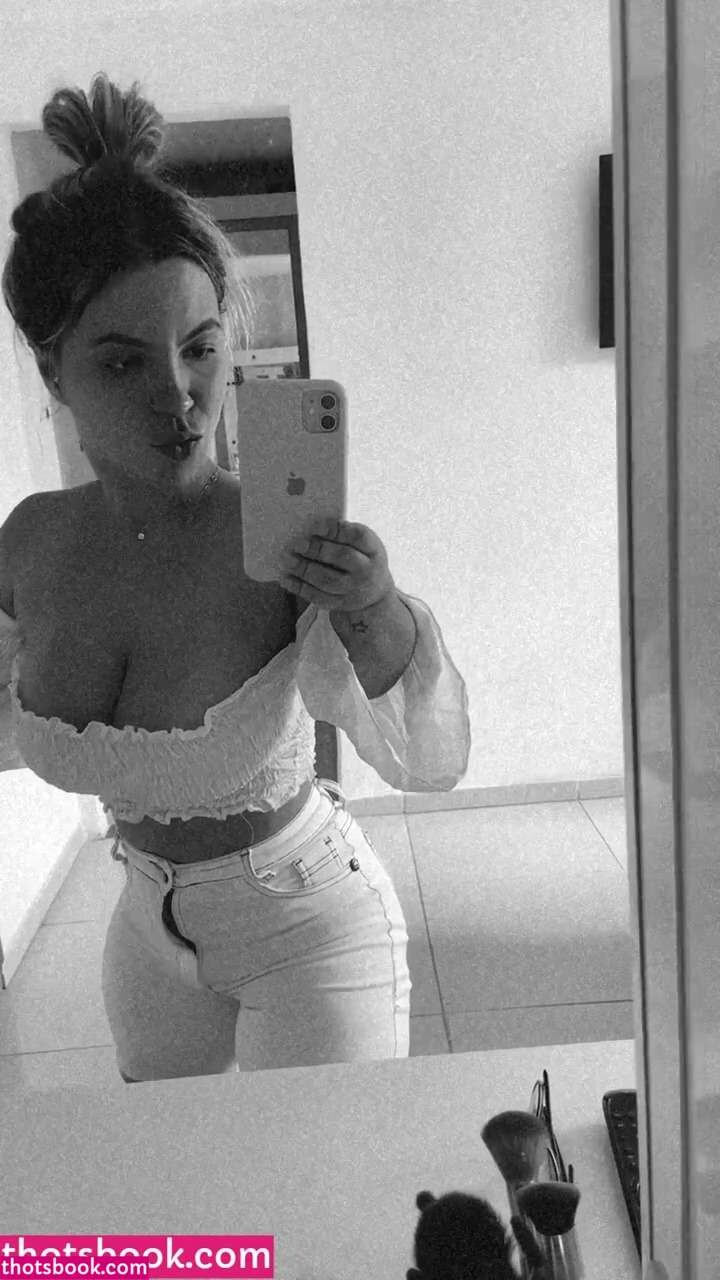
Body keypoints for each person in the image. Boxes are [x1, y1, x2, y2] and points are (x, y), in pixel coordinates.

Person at [0, 73, 470, 1083]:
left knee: (323, 1180)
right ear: (51, 372)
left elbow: (419, 748)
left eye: (201, 348)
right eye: (122, 363)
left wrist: (373, 601)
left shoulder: (276, 538)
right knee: (180, 1180)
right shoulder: (29, 542)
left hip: (310, 922)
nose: (180, 396)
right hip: (144, 927)